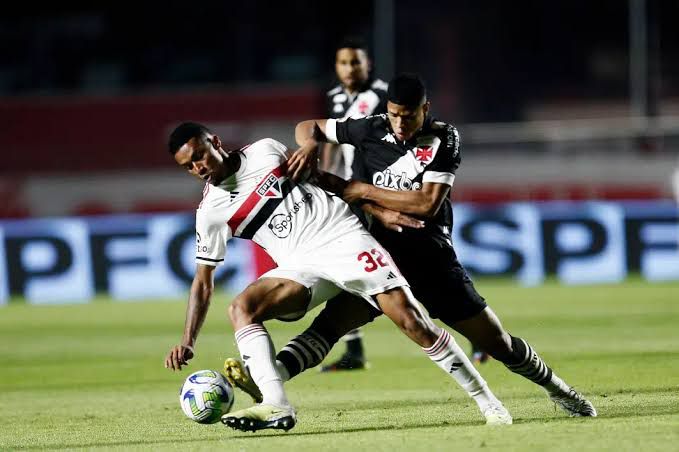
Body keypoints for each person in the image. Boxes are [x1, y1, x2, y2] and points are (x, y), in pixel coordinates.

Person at [273, 73, 597, 418]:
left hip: (429, 258)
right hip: (376, 256)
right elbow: (307, 126)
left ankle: (559, 390)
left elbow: (426, 203)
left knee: (498, 343)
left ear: (425, 109)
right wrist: (310, 144)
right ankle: (265, 385)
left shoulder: (444, 137)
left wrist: (363, 190)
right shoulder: (370, 128)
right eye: (394, 114)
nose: (399, 123)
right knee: (327, 328)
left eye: (408, 115)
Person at [163, 122, 512, 433]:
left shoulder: (266, 150)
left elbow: (323, 180)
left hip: (342, 238)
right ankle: (276, 403)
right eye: (188, 167)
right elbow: (203, 281)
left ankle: (489, 403)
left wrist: (377, 209)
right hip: (299, 265)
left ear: (215, 142)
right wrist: (188, 340)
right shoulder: (210, 212)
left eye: (200, 156)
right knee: (242, 307)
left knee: (413, 322)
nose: (198, 168)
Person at [318, 37, 389, 371]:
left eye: (356, 62)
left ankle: (475, 331)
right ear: (336, 67)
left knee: (409, 262)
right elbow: (331, 139)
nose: (350, 68)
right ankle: (354, 349)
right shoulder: (334, 97)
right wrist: (325, 175)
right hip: (350, 193)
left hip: (378, 191)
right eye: (344, 63)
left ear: (368, 64)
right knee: (346, 266)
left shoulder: (381, 95)